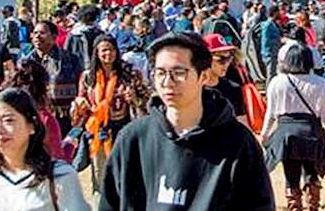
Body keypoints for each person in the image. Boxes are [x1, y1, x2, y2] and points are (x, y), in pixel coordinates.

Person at [98, 32, 275, 210]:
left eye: (178, 72)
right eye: (160, 73)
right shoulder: (133, 138)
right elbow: (110, 203)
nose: (168, 82)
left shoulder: (238, 143)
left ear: (204, 76)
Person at [260, 42, 325, 211]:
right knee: (312, 172)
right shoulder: (319, 82)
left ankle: (294, 206)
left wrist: (265, 133)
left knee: (290, 174)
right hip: (311, 131)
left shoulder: (277, 82)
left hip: (286, 133)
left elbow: (271, 112)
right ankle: (313, 206)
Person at [71, 35, 147, 190]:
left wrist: (134, 98)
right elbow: (80, 100)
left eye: (112, 49)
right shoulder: (88, 77)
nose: (108, 54)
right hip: (98, 131)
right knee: (101, 175)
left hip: (124, 129)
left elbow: (145, 98)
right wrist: (80, 105)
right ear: (97, 53)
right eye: (104, 50)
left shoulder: (129, 72)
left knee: (125, 173)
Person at [20, 21, 82, 131]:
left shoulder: (70, 60)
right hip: (34, 117)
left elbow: (80, 87)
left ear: (54, 36)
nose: (37, 36)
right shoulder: (25, 63)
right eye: (35, 33)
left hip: (64, 117)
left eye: (42, 33)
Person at [202, 33, 247, 124]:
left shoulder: (234, 89)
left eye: (229, 58)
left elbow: (241, 121)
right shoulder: (193, 89)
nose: (226, 64)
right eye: (221, 59)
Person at [259, 5, 283, 81]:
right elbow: (265, 40)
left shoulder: (274, 24)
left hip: (275, 53)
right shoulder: (268, 25)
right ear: (275, 13)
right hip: (270, 54)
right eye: (278, 12)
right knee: (271, 75)